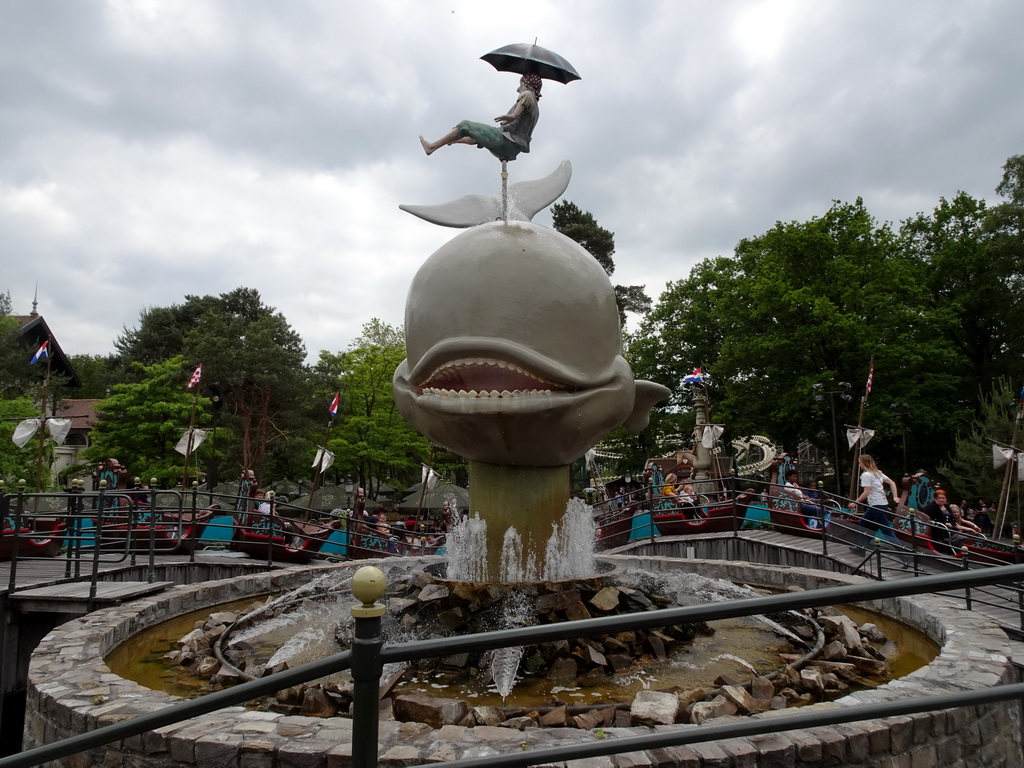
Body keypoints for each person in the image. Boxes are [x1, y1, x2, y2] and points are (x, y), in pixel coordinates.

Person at [419, 74, 542, 162]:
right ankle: (453, 140)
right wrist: (454, 139)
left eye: (520, 85)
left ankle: (432, 147)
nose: (518, 89)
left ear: (527, 84)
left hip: (506, 141)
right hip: (512, 150)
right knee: (476, 136)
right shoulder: (537, 111)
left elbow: (514, 115)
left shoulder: (526, 95)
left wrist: (508, 117)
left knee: (464, 125)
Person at [847, 454, 904, 553]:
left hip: (876, 505)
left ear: (863, 463)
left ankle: (904, 554)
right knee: (863, 523)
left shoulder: (866, 475)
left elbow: (866, 492)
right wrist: (895, 496)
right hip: (881, 504)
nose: (859, 464)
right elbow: (892, 483)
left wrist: (855, 503)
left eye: (859, 462)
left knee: (886, 531)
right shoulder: (877, 473)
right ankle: (861, 548)